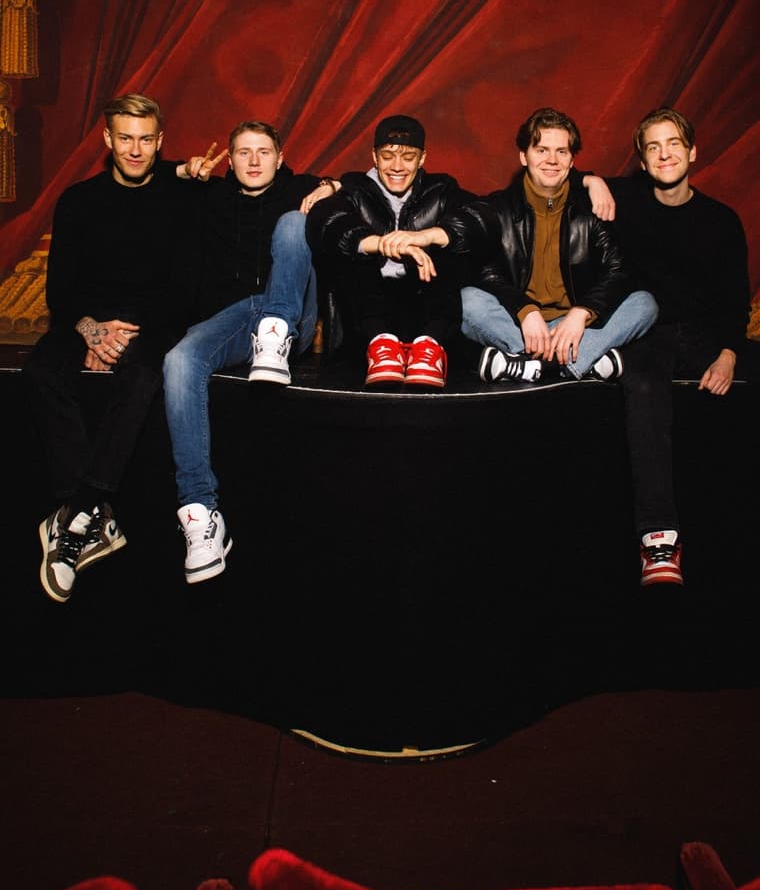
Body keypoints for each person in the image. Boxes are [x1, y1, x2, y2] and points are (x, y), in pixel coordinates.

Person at [608, 107, 760, 594]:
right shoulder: (628, 202)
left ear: (692, 152)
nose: (664, 154)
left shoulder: (721, 220)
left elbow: (733, 301)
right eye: (653, 147)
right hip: (649, 332)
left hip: (709, 337)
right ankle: (658, 539)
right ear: (642, 162)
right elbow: (558, 172)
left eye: (673, 143)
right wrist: (591, 184)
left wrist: (728, 353)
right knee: (643, 389)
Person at [24, 93, 199, 603]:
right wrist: (90, 330)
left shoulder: (183, 198)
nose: (135, 150)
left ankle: (78, 512)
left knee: (142, 376)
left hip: (151, 324)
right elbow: (60, 293)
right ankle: (94, 516)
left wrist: (124, 336)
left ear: (160, 141)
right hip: (85, 321)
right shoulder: (78, 200)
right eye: (125, 138)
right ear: (107, 139)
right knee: (39, 371)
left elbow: (185, 293)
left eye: (145, 140)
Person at [162, 120, 335, 584]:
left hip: (291, 318)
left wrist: (332, 187)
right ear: (230, 159)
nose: (254, 161)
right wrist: (183, 171)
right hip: (237, 321)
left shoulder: (298, 188)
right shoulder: (210, 196)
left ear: (280, 158)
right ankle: (200, 515)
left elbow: (360, 186)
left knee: (295, 222)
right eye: (243, 152)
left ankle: (275, 335)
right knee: (178, 361)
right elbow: (142, 179)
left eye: (264, 152)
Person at [461, 107, 658, 384]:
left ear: (571, 160)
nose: (552, 160)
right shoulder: (498, 207)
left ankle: (530, 364)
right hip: (519, 324)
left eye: (561, 152)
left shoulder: (591, 209)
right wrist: (525, 310)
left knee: (644, 304)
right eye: (541, 150)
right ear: (524, 156)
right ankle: (580, 362)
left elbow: (618, 270)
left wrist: (582, 313)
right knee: (467, 299)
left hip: (576, 328)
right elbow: (485, 271)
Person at [306, 114, 479, 388]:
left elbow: (483, 218)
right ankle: (383, 348)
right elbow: (325, 221)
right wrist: (378, 243)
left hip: (425, 310)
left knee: (447, 244)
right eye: (387, 156)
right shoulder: (353, 189)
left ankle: (428, 349)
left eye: (408, 157)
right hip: (368, 319)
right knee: (354, 252)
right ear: (374, 157)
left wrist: (425, 237)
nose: (397, 166)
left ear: (422, 159)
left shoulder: (441, 189)